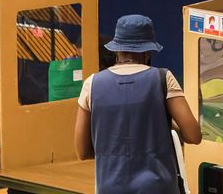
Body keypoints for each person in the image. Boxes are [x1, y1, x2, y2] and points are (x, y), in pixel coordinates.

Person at [74, 15, 201, 193]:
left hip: (110, 187)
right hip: (158, 187)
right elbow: (194, 135)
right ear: (148, 51)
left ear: (116, 50)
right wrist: (163, 123)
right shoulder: (163, 78)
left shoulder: (92, 84)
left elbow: (82, 151)